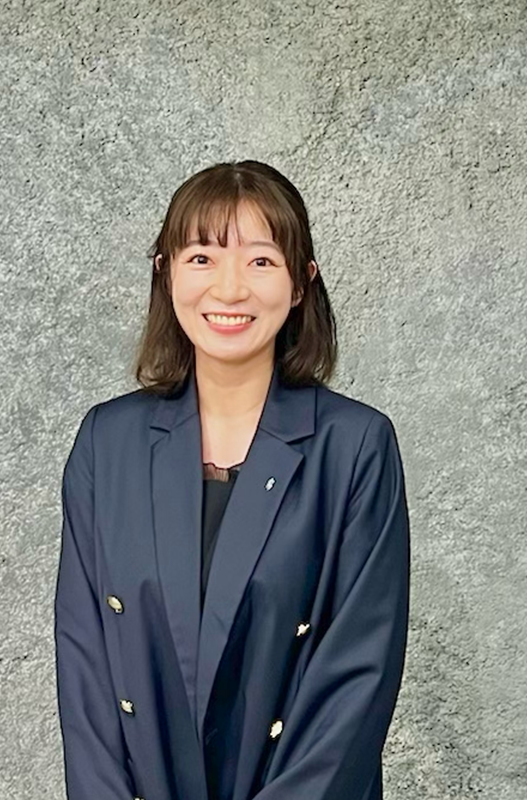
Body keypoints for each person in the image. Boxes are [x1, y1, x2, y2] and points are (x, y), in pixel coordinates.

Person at [54, 160, 411, 800]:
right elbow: (84, 662)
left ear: (301, 283)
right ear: (165, 273)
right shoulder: (108, 444)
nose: (229, 288)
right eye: (201, 258)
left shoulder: (356, 447)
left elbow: (356, 682)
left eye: (260, 261)